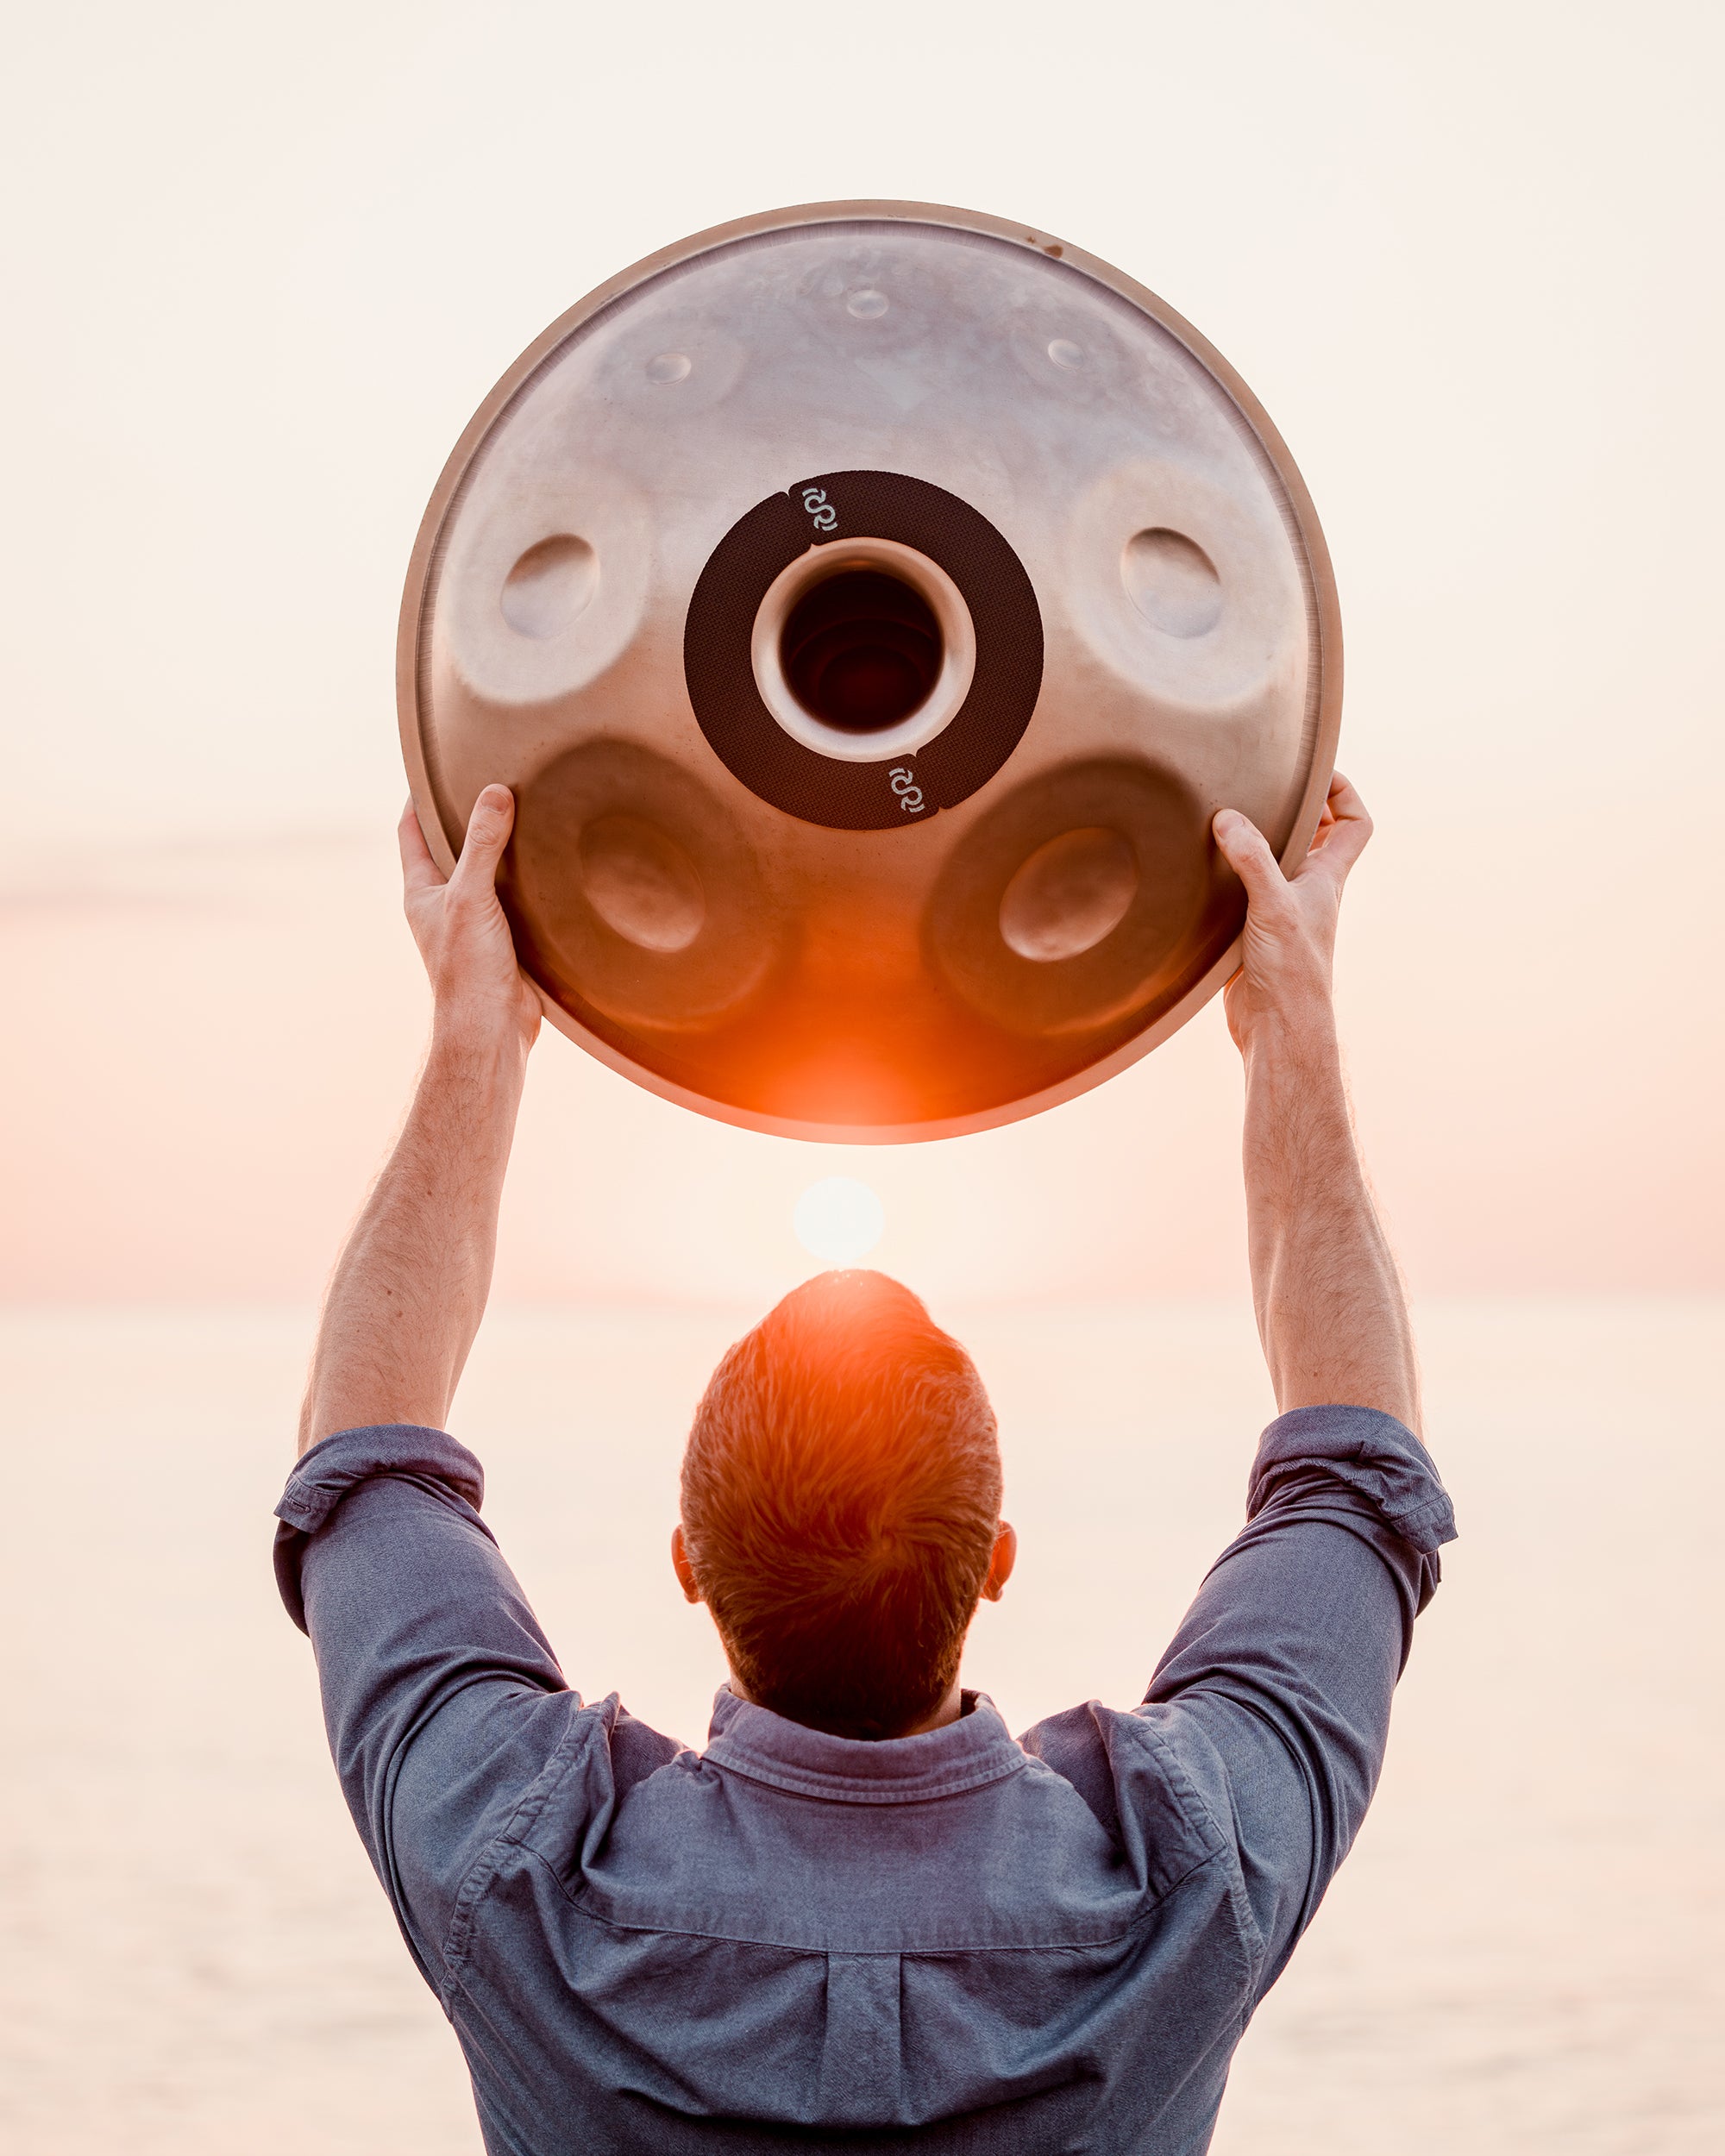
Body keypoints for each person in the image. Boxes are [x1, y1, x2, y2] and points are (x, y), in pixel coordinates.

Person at [275, 772, 1454, 2154]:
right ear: (995, 1559)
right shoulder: (1183, 1881)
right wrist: (1287, 1014)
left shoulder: (524, 1873)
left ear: (689, 1569)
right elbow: (1355, 1476)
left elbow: (362, 1451)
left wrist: (484, 1021)